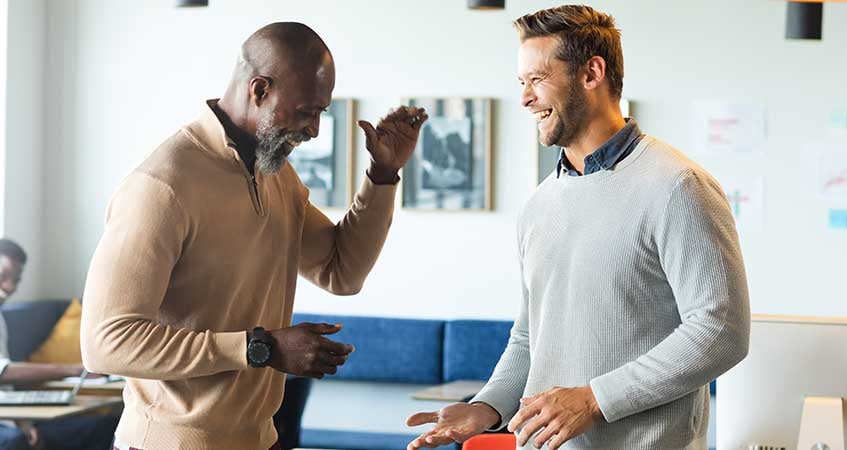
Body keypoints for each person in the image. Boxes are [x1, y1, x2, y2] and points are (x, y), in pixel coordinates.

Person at [407, 5, 750, 450]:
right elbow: (533, 335)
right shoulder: (538, 204)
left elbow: (721, 331)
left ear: (592, 73)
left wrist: (593, 400)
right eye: (521, 83)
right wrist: (488, 406)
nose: (525, 99)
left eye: (537, 79)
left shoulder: (678, 186)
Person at [80, 22, 427, 450]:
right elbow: (105, 342)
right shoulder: (163, 186)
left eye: (320, 112)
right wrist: (260, 347)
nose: (315, 130)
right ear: (259, 89)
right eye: (306, 112)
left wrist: (383, 174)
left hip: (262, 439)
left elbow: (342, 273)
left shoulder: (276, 175)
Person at [0, 238, 117, 450]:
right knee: (15, 441)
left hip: (12, 414)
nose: (9, 287)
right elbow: (2, 372)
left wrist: (22, 422)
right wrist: (73, 369)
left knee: (105, 426)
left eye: (16, 280)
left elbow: (5, 386)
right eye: (2, 276)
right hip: (8, 419)